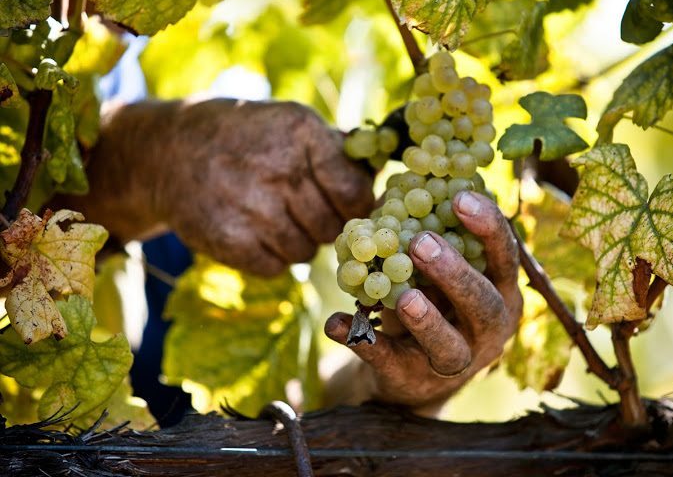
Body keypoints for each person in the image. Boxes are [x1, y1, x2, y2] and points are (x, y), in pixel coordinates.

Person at [57, 98, 523, 417]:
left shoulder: (251, 145)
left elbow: (284, 419)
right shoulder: (44, 57)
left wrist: (397, 395)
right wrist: (147, 157)